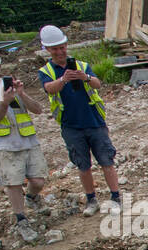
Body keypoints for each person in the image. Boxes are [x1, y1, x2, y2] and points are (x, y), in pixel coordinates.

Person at [37, 24, 121, 216]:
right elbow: (49, 88)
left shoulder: (81, 66)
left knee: (106, 160)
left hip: (93, 120)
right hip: (71, 125)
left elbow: (97, 84)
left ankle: (116, 197)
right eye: (55, 49)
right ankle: (91, 200)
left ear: (66, 45)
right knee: (83, 165)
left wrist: (85, 77)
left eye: (62, 47)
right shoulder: (47, 71)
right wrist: (64, 79)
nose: (60, 51)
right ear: (48, 50)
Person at [0, 45, 47, 244]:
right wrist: (4, 102)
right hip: (4, 143)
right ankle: (21, 219)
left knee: (38, 181)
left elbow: (37, 109)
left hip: (27, 139)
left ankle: (32, 197)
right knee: (13, 184)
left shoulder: (10, 83)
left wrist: (21, 94)